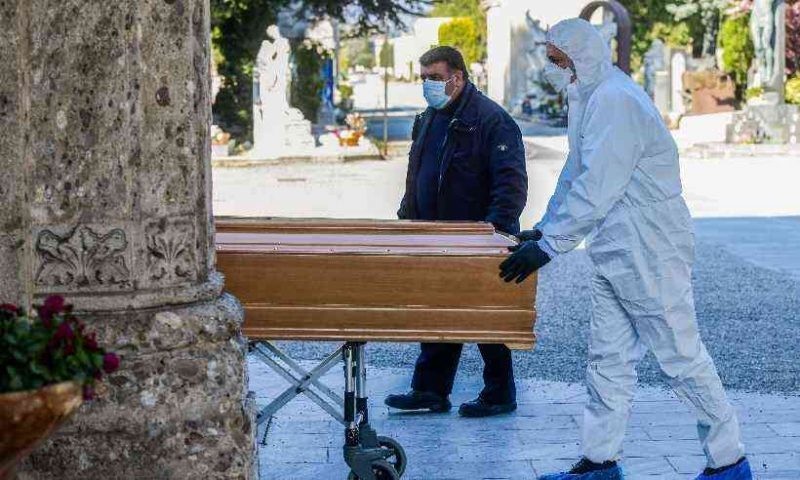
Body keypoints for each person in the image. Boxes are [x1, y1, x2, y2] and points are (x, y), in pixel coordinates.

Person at [499, 19, 752, 480]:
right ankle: (600, 462)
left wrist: (553, 245)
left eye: (557, 60)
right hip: (614, 244)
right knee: (607, 358)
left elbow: (599, 184)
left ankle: (729, 460)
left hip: (649, 243)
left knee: (679, 354)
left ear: (580, 57)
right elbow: (576, 171)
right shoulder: (587, 95)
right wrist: (545, 228)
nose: (551, 67)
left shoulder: (615, 100)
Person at [385, 46, 528, 418]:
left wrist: (493, 234)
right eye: (424, 78)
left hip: (478, 237)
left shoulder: (491, 120)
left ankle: (499, 393)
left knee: (486, 316)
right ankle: (430, 391)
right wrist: (407, 219)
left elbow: (510, 185)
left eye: (435, 77)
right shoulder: (430, 117)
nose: (428, 85)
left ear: (458, 77)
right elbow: (417, 173)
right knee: (437, 311)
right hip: (433, 235)